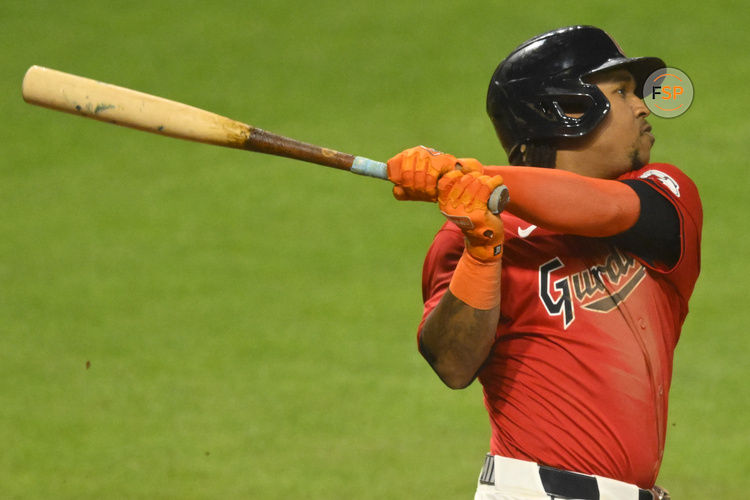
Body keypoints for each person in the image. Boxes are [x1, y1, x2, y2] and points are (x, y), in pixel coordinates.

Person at [387, 26, 701, 500]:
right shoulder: (468, 233)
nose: (642, 106)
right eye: (621, 92)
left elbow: (603, 209)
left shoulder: (666, 193)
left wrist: (475, 177)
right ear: (567, 109)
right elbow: (453, 364)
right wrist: (482, 251)